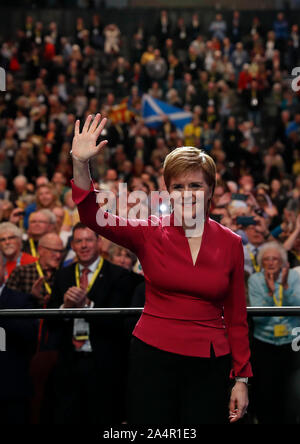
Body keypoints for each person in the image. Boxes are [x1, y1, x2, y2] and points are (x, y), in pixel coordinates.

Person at [70, 113, 252, 425]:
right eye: (178, 186)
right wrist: (79, 163)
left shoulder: (232, 242)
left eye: (195, 185)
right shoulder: (149, 231)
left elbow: (236, 317)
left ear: (211, 190)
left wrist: (241, 379)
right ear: (168, 191)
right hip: (152, 357)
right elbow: (91, 216)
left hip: (210, 363)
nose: (186, 193)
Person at [48, 223, 139, 425]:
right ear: (71, 245)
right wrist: (65, 306)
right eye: (78, 241)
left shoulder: (119, 275)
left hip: (106, 363)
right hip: (69, 362)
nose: (84, 245)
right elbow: (50, 321)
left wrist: (88, 305)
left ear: (99, 242)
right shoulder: (63, 275)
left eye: (89, 240)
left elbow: (122, 322)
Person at [248, 241, 300, 424]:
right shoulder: (255, 279)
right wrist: (270, 293)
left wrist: (285, 288)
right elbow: (259, 318)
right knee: (266, 392)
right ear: (262, 262)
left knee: (291, 394)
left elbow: (298, 308)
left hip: (292, 342)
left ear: (283, 261)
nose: (271, 263)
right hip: (264, 342)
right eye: (267, 259)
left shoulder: (293, 277)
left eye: (275, 259)